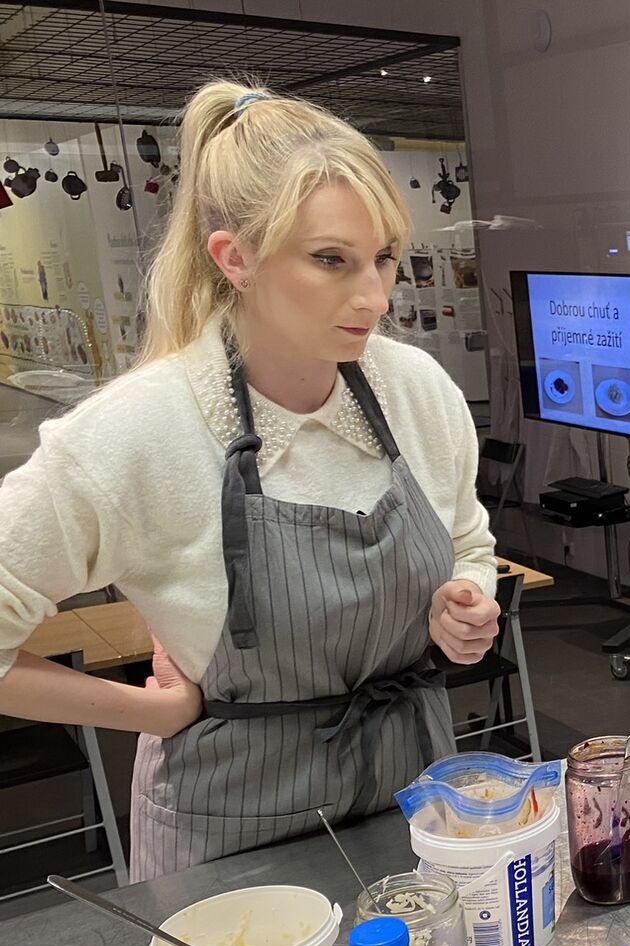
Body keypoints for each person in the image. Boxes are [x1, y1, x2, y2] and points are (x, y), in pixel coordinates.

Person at [0, 82, 500, 880]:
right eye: (331, 260)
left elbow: (468, 538)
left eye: (383, 258)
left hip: (413, 803)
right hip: (231, 844)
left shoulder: (415, 392)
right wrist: (150, 710)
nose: (374, 297)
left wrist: (465, 599)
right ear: (235, 258)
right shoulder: (140, 431)